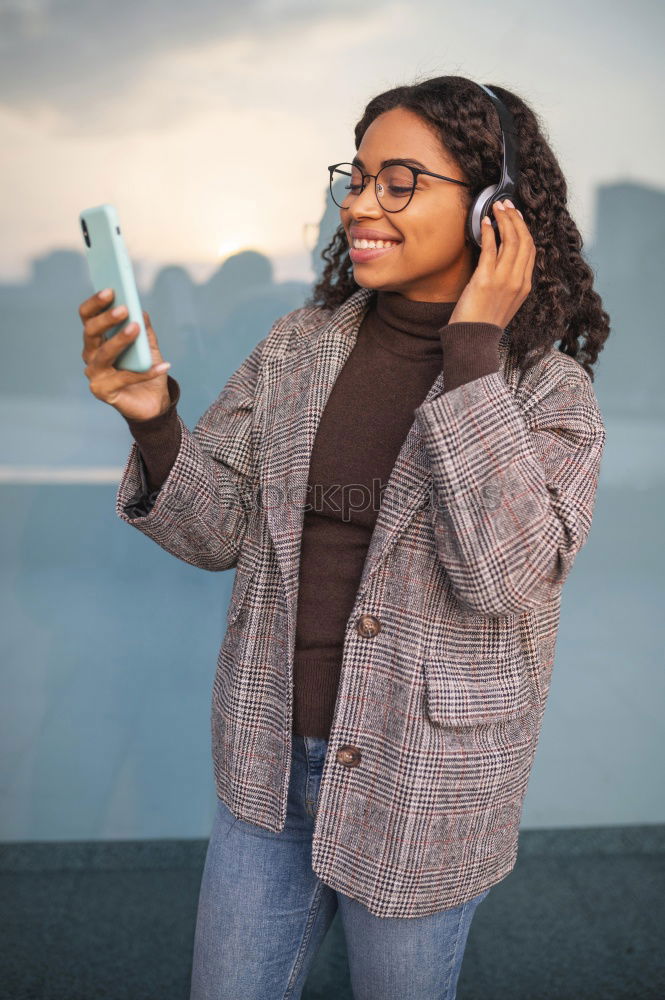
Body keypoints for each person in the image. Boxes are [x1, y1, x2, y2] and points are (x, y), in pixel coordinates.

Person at [79, 76, 609, 1000]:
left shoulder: (547, 392)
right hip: (266, 760)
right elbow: (217, 534)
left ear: (493, 209)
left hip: (427, 784)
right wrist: (154, 418)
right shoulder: (297, 347)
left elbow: (500, 575)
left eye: (397, 181)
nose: (358, 203)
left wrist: (472, 350)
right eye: (355, 176)